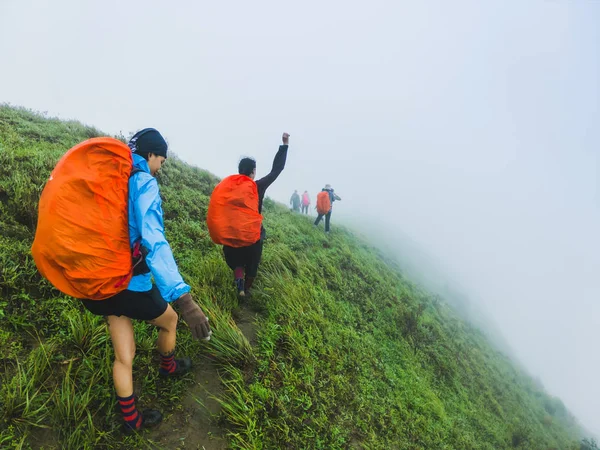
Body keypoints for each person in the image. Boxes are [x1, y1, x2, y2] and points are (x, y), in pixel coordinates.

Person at [81, 129, 212, 432]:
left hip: (101, 282)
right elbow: (154, 239)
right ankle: (168, 367)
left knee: (123, 355)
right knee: (170, 321)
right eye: (160, 162)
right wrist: (185, 300)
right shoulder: (143, 181)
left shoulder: (110, 177)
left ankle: (130, 420)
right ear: (151, 154)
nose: (159, 168)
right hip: (131, 283)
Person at [209, 133, 289, 297]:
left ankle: (239, 282)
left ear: (239, 171)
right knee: (253, 261)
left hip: (232, 233)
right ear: (253, 172)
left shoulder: (227, 186)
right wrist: (284, 146)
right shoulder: (257, 186)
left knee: (236, 260)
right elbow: (276, 170)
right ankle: (247, 288)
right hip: (252, 235)